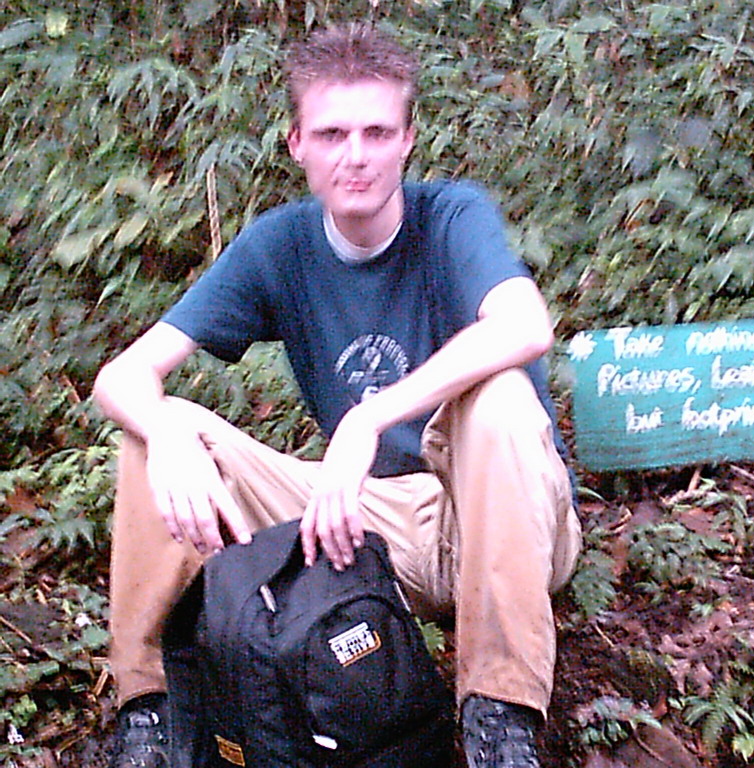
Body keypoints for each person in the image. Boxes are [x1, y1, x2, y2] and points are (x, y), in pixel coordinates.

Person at [92, 21, 581, 768]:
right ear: (297, 144)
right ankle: (150, 714)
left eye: (377, 132)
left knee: (500, 399)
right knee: (159, 427)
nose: (355, 156)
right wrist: (165, 436)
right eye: (332, 134)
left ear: (408, 140)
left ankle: (500, 718)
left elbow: (524, 323)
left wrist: (369, 416)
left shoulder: (450, 218)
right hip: (360, 524)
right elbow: (121, 377)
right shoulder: (278, 245)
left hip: (500, 521)